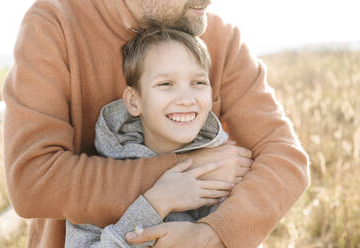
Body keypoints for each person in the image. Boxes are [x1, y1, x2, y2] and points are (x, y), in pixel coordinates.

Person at [2, 0, 310, 247]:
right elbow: (33, 181)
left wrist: (212, 235)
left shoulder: (221, 38)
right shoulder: (54, 23)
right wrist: (188, 171)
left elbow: (285, 159)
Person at [65, 25, 243, 247]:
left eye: (198, 82)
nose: (187, 99)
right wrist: (157, 204)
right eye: (166, 84)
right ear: (133, 101)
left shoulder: (223, 170)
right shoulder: (97, 183)